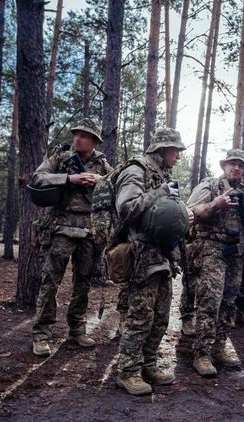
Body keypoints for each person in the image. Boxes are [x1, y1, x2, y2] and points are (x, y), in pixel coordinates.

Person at [113, 127, 192, 395]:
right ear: (162, 149)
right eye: (175, 151)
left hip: (163, 256)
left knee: (160, 317)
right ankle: (128, 372)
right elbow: (126, 209)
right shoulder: (136, 171)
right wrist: (160, 192)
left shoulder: (162, 175)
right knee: (140, 316)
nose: (178, 157)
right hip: (142, 255)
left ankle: (148, 365)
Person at [30, 118, 113, 357]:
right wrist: (69, 179)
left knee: (83, 284)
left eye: (84, 136)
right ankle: (41, 334)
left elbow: (118, 186)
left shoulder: (103, 165)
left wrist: (100, 181)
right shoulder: (60, 157)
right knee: (50, 281)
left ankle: (77, 329)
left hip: (88, 231)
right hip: (60, 228)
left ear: (95, 141)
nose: (77, 138)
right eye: (76, 134)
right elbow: (38, 178)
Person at [185, 149, 244, 376]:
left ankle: (219, 346)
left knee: (229, 301)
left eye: (240, 165)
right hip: (212, 248)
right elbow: (189, 212)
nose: (236, 168)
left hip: (237, 253)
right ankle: (202, 352)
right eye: (232, 164)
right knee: (210, 301)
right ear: (224, 166)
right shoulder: (210, 186)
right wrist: (215, 205)